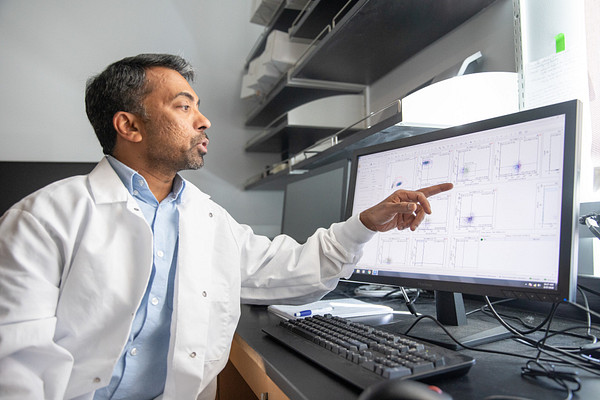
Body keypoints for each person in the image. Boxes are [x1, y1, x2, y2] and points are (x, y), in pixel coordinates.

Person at [0, 54, 453, 400]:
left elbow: (293, 269)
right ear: (130, 126)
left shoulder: (208, 219)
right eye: (183, 107)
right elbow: (15, 366)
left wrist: (364, 225)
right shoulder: (42, 219)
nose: (204, 120)